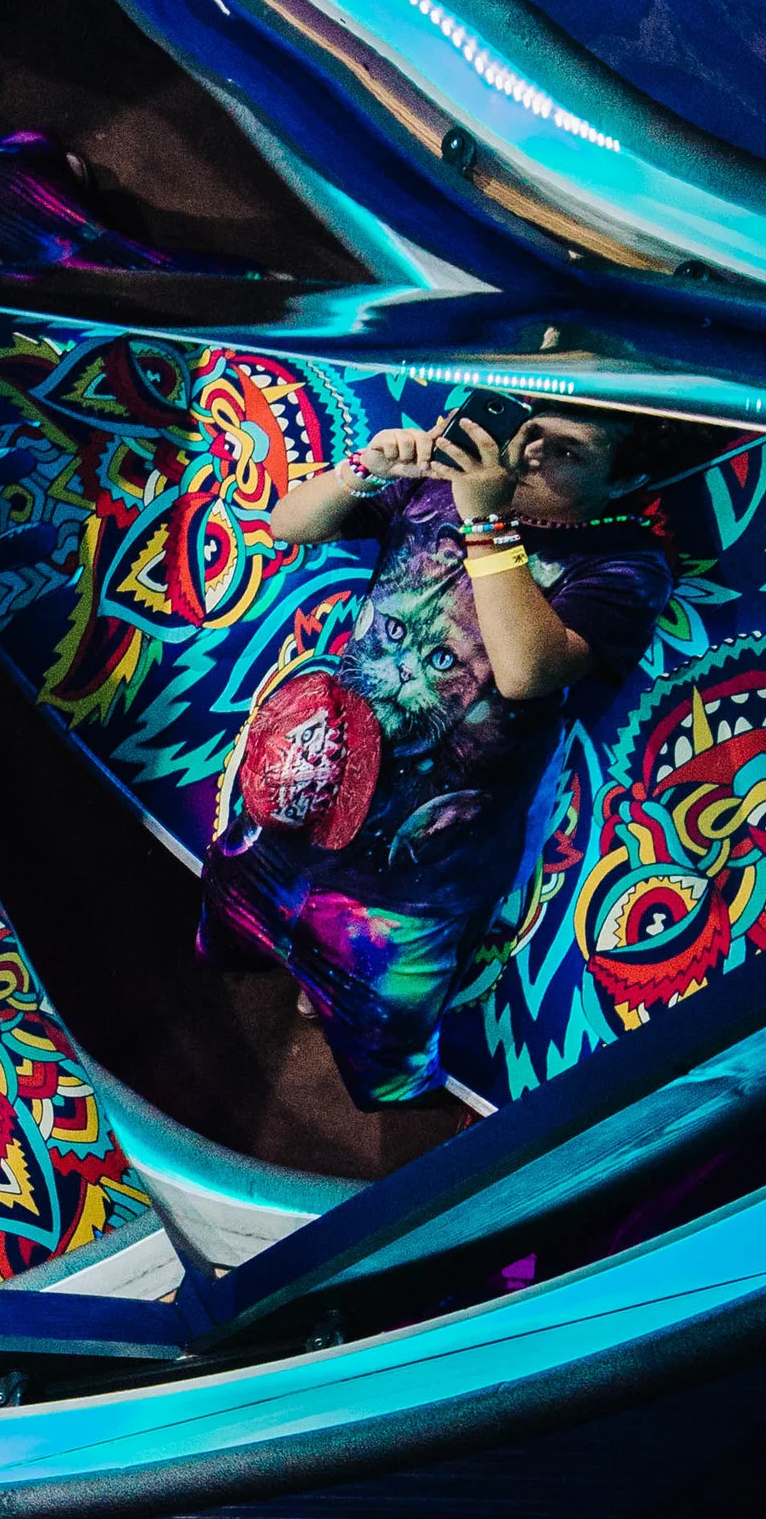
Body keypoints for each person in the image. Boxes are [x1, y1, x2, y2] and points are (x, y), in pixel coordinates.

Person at [202, 393, 675, 1106]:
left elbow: (527, 672)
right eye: (528, 429)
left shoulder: (624, 561)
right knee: (237, 921)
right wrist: (366, 467)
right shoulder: (434, 490)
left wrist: (486, 522)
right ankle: (276, 963)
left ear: (626, 480)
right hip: (311, 793)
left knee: (382, 1049)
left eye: (567, 450)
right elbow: (287, 524)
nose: (527, 452)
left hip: (426, 867)